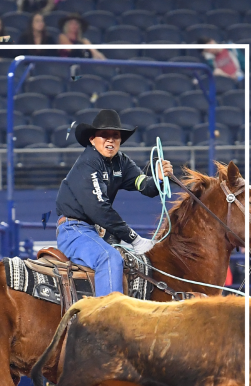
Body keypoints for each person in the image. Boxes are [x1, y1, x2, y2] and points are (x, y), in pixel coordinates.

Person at [55, 109, 174, 297]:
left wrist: (158, 178)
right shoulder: (88, 163)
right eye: (105, 135)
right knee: (108, 258)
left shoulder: (121, 162)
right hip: (74, 231)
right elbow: (99, 210)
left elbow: (145, 186)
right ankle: (108, 320)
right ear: (92, 139)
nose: (110, 140)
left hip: (96, 232)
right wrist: (134, 238)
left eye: (115, 136)